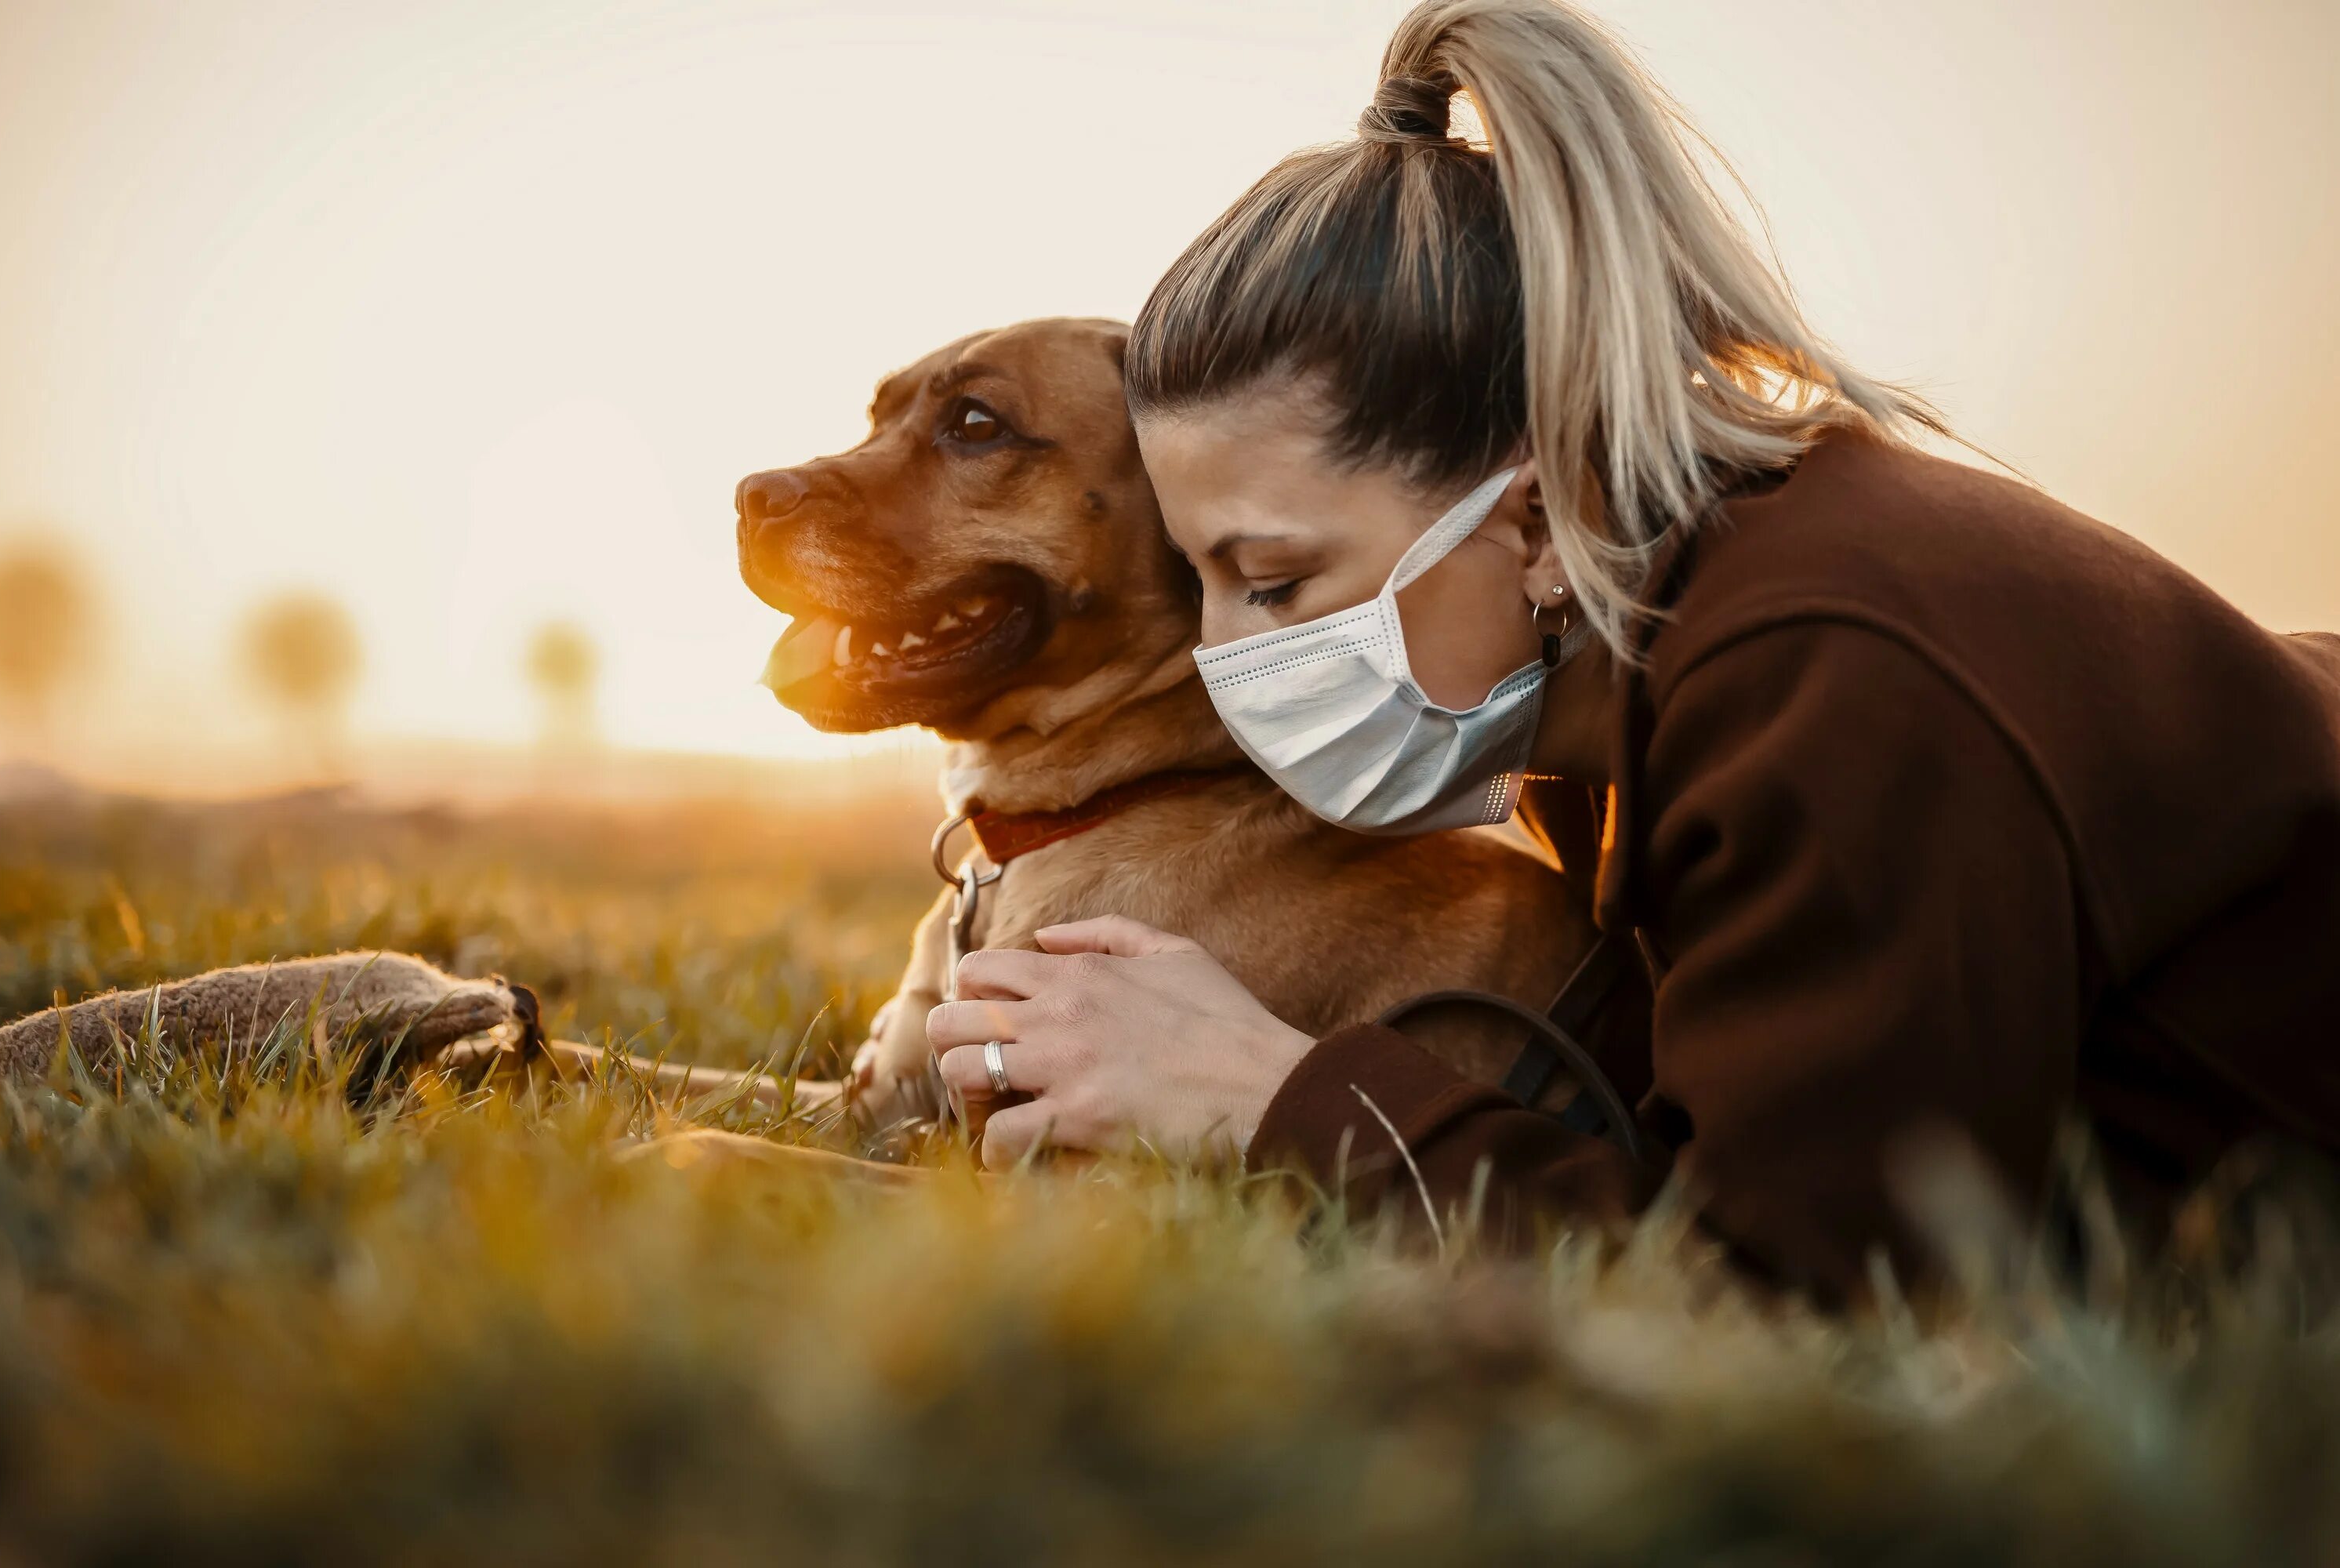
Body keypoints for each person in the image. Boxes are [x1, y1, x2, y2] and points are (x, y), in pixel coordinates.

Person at [926, 0, 2340, 1304]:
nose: (1235, 661)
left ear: (1536, 516)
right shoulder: (1615, 657)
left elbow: (1807, 1313)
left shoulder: (1827, 678)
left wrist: (1273, 1094)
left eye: (1280, 583)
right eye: (1204, 585)